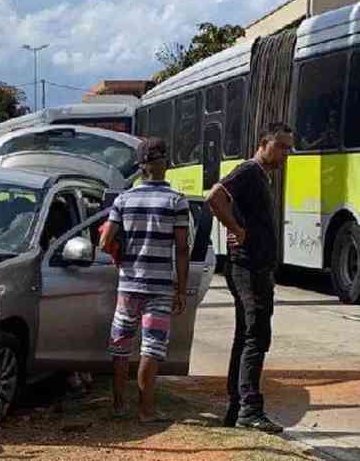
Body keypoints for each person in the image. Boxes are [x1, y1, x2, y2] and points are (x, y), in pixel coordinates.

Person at [206, 123, 294, 434]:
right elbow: (214, 198)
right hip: (248, 268)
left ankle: (236, 407)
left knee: (247, 336)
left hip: (257, 268)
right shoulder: (248, 170)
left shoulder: (261, 177)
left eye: (288, 148)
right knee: (256, 335)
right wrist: (236, 229)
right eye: (281, 146)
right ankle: (249, 409)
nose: (286, 154)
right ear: (264, 143)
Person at [100, 137, 190, 423]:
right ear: (164, 163)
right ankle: (146, 411)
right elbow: (183, 248)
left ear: (140, 167)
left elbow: (104, 242)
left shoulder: (124, 199)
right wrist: (181, 289)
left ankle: (118, 406)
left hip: (128, 286)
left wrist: (122, 253)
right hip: (160, 288)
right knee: (152, 348)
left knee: (121, 345)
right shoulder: (176, 201)